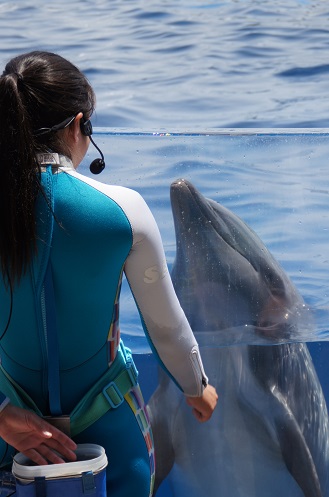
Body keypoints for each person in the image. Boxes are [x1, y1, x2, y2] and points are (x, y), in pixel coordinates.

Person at [0, 51, 218, 497]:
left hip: (11, 436)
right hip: (112, 429)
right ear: (78, 125)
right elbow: (165, 326)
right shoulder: (124, 210)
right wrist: (197, 388)